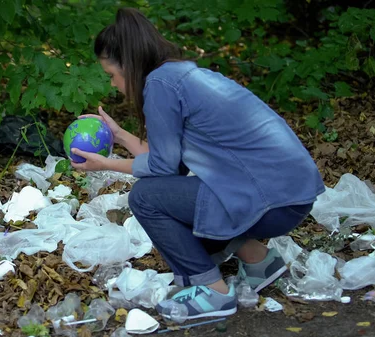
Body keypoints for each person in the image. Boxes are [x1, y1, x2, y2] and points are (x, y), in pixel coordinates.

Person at [70, 7, 325, 319]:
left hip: (272, 200)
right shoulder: (179, 74)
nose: (112, 85)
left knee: (145, 198)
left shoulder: (160, 85)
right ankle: (260, 262)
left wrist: (106, 165)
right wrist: (119, 135)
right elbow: (166, 160)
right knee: (179, 193)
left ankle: (212, 292)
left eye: (112, 75)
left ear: (129, 64)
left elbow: (161, 169)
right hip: (289, 194)